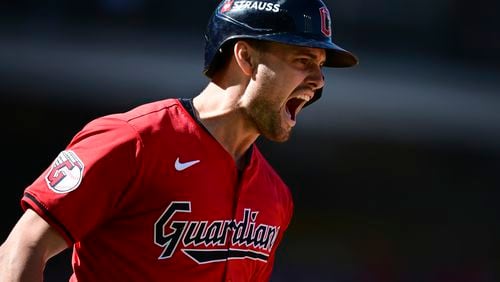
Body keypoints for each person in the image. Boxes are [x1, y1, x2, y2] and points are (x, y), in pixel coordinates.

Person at [0, 0, 358, 280]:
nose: (319, 79)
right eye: (303, 59)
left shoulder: (276, 196)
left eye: (321, 65)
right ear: (246, 58)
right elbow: (22, 248)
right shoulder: (135, 140)